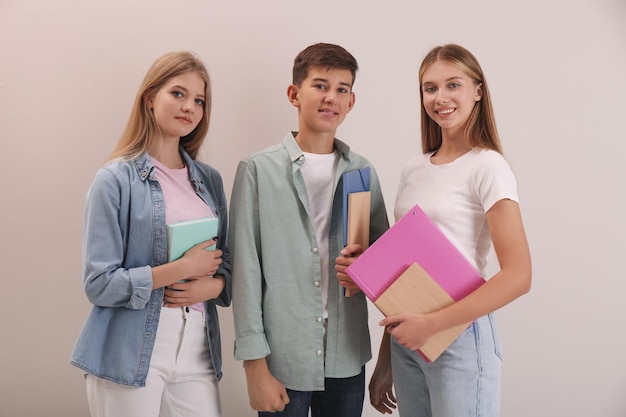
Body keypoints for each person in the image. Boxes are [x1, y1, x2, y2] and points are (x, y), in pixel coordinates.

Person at [368, 44, 532, 417]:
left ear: (478, 91)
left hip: (460, 335)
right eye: (429, 88)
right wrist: (387, 357)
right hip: (407, 338)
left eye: (452, 85)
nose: (440, 98)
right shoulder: (414, 170)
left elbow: (520, 276)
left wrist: (432, 325)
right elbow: (403, 274)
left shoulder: (488, 167)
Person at [229, 42, 389, 417]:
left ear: (351, 102)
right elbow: (246, 272)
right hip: (283, 359)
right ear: (294, 94)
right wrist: (254, 365)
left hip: (347, 356)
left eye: (342, 89)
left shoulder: (362, 173)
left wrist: (366, 269)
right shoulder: (257, 171)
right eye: (320, 85)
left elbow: (386, 265)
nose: (331, 97)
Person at [70, 51, 232, 417]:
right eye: (178, 93)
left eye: (199, 100)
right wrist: (181, 269)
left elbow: (228, 268)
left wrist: (215, 287)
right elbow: (99, 284)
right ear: (150, 98)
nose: (189, 106)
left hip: (197, 345)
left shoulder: (210, 181)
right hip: (131, 346)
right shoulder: (114, 180)